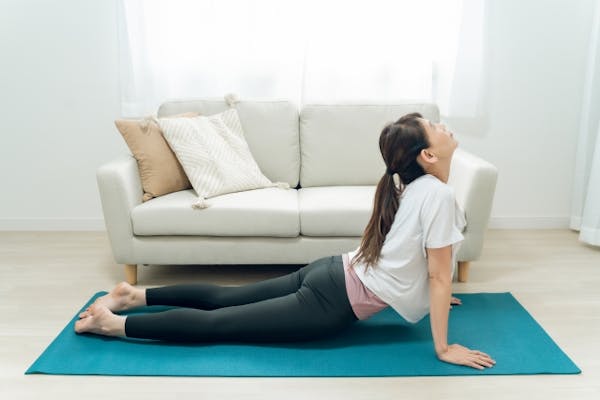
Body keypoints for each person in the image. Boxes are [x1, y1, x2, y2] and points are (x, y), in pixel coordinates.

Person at [76, 112, 495, 370]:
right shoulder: (435, 193)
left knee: (224, 300)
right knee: (220, 325)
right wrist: (442, 347)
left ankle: (134, 294)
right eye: (433, 127)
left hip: (331, 271)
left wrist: (426, 289)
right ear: (428, 155)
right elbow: (440, 275)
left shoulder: (410, 185)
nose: (443, 126)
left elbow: (415, 259)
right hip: (331, 301)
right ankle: (116, 324)